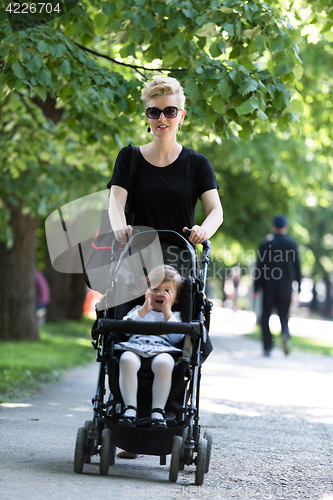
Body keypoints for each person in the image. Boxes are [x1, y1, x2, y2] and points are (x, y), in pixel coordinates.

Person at [107, 75, 223, 457]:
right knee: (120, 337)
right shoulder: (130, 158)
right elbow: (115, 202)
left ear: (181, 115)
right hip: (136, 263)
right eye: (155, 112)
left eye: (169, 111)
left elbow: (215, 211)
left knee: (179, 342)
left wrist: (204, 231)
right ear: (146, 115)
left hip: (179, 269)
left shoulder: (197, 164)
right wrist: (118, 226)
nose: (162, 119)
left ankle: (166, 417)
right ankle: (128, 422)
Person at [114, 265, 183, 429]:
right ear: (147, 291)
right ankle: (130, 408)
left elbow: (177, 337)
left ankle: (158, 411)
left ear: (177, 298)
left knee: (165, 363)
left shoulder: (175, 316)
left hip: (163, 350)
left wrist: (167, 313)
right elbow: (124, 327)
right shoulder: (139, 310)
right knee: (126, 359)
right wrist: (145, 309)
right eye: (155, 288)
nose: (160, 293)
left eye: (167, 291)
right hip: (135, 347)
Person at [253, 215, 301, 357]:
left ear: (273, 226)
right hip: (286, 287)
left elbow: (259, 267)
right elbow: (297, 266)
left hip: (269, 286)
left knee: (265, 317)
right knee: (283, 315)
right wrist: (299, 286)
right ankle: (285, 333)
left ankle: (268, 347)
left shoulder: (266, 242)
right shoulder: (291, 243)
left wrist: (256, 287)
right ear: (285, 227)